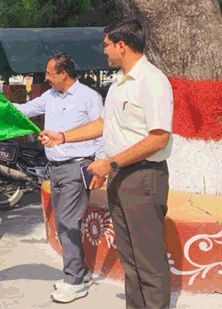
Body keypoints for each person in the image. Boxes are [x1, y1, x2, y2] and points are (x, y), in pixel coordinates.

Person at [40, 19, 174, 309]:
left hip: (143, 177)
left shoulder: (152, 81)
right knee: (130, 256)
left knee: (148, 258)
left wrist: (110, 164)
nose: (105, 51)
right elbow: (104, 124)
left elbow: (158, 138)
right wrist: (62, 137)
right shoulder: (118, 84)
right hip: (120, 177)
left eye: (107, 45)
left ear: (122, 46)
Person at [13, 52, 105, 303]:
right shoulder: (49, 97)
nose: (47, 78)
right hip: (55, 168)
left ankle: (75, 280)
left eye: (50, 74)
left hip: (78, 167)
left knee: (68, 222)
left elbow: (101, 131)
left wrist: (100, 166)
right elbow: (23, 111)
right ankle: (80, 273)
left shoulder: (89, 97)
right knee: (64, 222)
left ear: (64, 73)